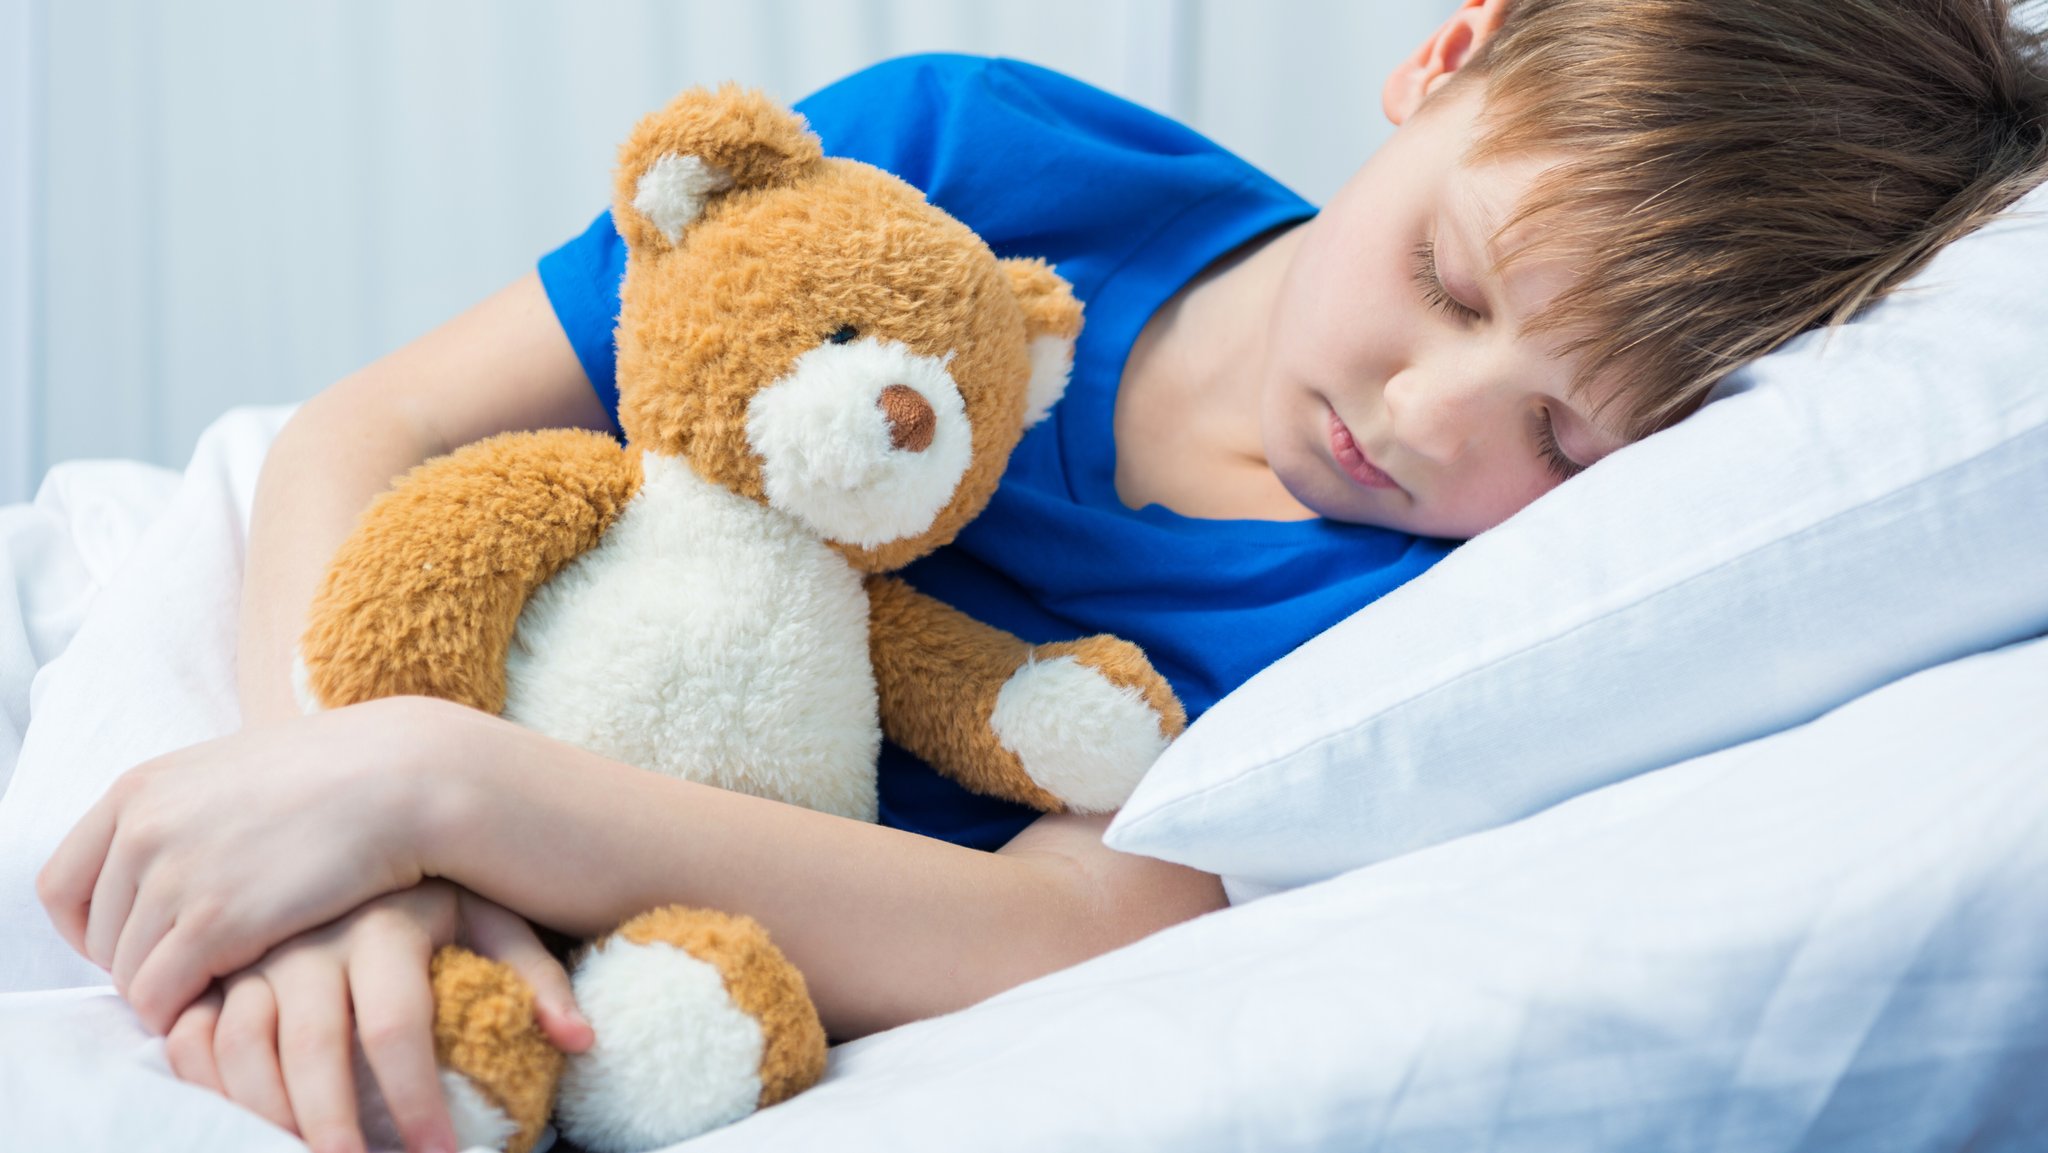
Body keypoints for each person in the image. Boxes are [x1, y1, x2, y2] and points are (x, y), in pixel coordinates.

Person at [36, 1, 2048, 1151]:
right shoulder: (976, 151)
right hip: (423, 662)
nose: (1433, 420)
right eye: (1448, 275)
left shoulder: (1407, 628)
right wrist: (332, 833)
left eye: (1569, 442)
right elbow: (364, 434)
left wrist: (452, 803)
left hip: (565, 867)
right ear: (1450, 53)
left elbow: (1066, 928)